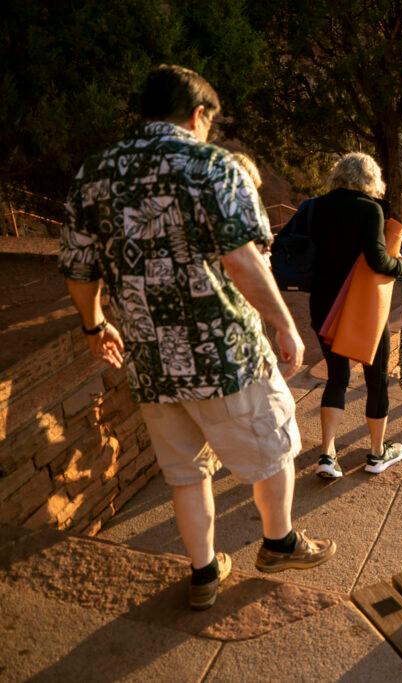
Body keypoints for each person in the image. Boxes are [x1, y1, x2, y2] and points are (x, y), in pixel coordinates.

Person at [59, 65, 335, 610]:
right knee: (273, 447)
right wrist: (283, 324)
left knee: (185, 473)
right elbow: (243, 259)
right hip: (224, 355)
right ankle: (278, 543)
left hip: (151, 362)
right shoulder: (212, 165)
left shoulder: (94, 174)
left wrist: (95, 326)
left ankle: (204, 574)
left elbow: (78, 269)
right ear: (197, 114)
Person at [308, 153, 402, 479]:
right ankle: (377, 454)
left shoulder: (318, 206)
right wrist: (400, 266)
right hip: (361, 307)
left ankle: (327, 454)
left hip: (324, 304)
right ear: (370, 180)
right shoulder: (370, 209)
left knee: (337, 376)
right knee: (376, 377)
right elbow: (378, 260)